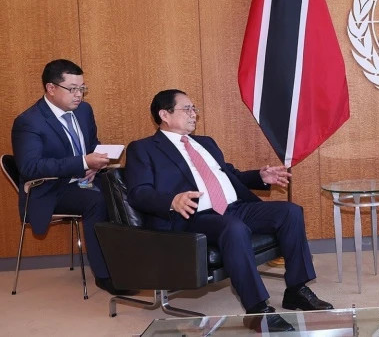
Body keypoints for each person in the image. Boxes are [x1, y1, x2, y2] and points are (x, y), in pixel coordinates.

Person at [125, 89, 333, 332]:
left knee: (290, 212)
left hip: (236, 208)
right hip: (194, 216)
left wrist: (260, 177)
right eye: (187, 109)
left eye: (195, 109)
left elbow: (229, 175)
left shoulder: (206, 143)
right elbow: (138, 192)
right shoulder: (144, 149)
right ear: (165, 114)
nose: (194, 114)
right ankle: (258, 310)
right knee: (234, 229)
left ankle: (296, 289)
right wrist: (172, 201)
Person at [11, 59, 129, 295]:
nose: (79, 95)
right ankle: (106, 275)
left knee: (127, 185)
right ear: (51, 88)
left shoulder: (84, 111)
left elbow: (91, 145)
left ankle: (135, 263)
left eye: (82, 88)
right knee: (97, 201)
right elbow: (30, 167)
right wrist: (83, 162)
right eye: (73, 89)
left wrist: (97, 162)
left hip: (85, 178)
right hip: (51, 188)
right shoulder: (29, 122)